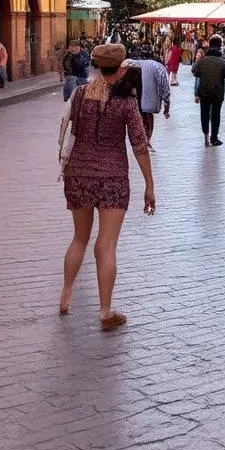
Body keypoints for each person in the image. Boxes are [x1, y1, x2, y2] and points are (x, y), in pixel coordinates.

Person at [59, 43, 155, 330]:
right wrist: (149, 184)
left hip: (78, 174)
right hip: (113, 177)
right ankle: (105, 311)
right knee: (107, 244)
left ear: (97, 66)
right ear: (121, 68)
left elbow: (71, 129)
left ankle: (65, 296)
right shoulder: (126, 102)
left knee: (79, 238)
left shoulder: (79, 95)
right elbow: (139, 144)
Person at [192, 34, 225, 147]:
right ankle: (214, 138)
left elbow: (195, 72)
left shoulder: (201, 61)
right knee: (216, 114)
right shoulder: (223, 62)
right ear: (219, 47)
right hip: (217, 92)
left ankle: (206, 135)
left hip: (204, 91)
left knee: (204, 113)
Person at [134, 48, 171, 147]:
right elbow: (165, 88)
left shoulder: (130, 64)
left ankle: (142, 141)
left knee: (138, 119)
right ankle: (146, 140)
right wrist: (166, 107)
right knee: (148, 119)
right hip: (150, 102)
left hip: (133, 101)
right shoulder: (158, 66)